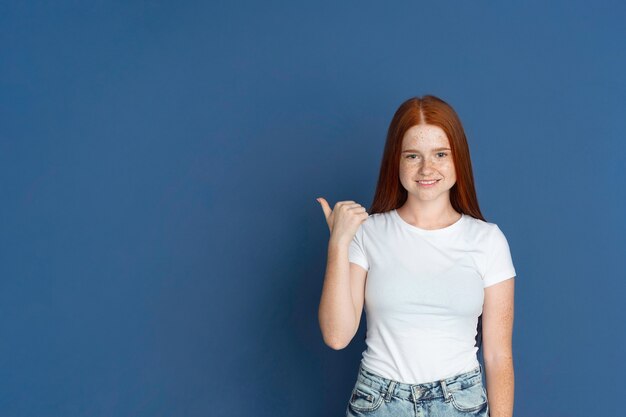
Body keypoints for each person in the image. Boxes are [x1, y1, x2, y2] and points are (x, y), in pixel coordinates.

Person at [317, 95, 516, 417]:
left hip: (460, 404)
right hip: (379, 402)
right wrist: (339, 243)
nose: (427, 168)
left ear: (458, 159)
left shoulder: (487, 240)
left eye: (440, 154)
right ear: (396, 161)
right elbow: (337, 336)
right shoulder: (368, 233)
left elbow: (498, 355)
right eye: (413, 155)